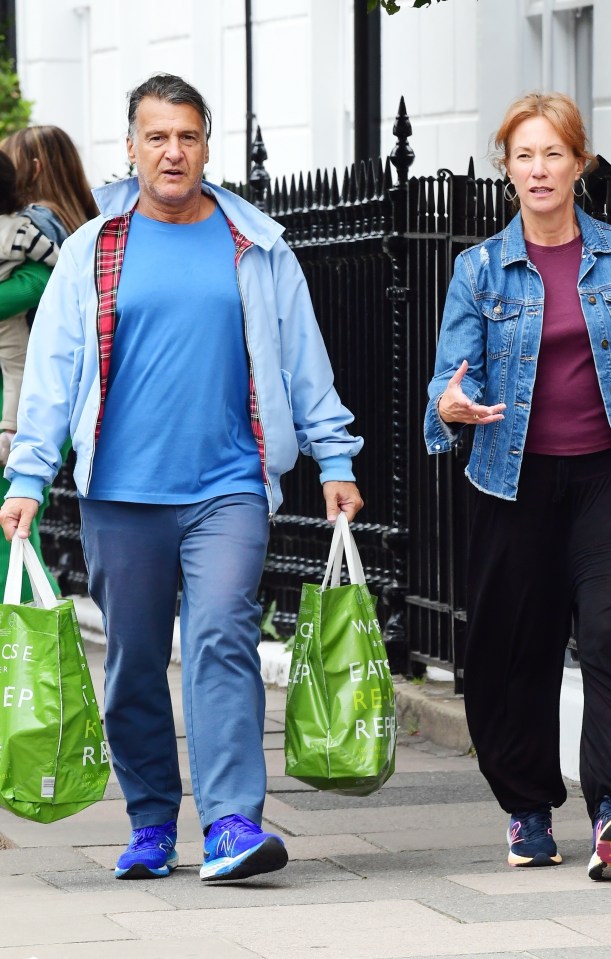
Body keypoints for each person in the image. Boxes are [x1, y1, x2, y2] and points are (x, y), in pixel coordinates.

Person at [0, 73, 364, 883]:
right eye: (157, 136)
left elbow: (304, 359)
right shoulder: (96, 246)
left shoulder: (255, 244)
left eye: (188, 136)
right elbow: (54, 372)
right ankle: (152, 819)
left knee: (222, 640)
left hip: (227, 485)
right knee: (132, 657)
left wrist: (333, 456)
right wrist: (28, 475)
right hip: (121, 494)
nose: (173, 151)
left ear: (207, 145)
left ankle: (233, 822)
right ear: (131, 148)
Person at [423, 92, 611, 882]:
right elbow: (449, 379)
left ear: (580, 164)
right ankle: (527, 809)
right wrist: (447, 408)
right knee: (517, 651)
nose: (540, 169)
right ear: (506, 169)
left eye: (555, 154)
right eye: (525, 155)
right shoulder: (477, 269)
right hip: (510, 482)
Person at [0, 126, 97, 601]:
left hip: (33, 386)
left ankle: (22, 624)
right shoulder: (88, 223)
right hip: (73, 391)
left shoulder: (33, 222)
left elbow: (36, 289)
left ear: (33, 169)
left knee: (15, 513)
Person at [0, 151, 60, 464]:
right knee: (16, 372)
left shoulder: (37, 219)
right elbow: (57, 260)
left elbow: (36, 282)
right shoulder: (20, 229)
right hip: (10, 325)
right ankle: (9, 432)